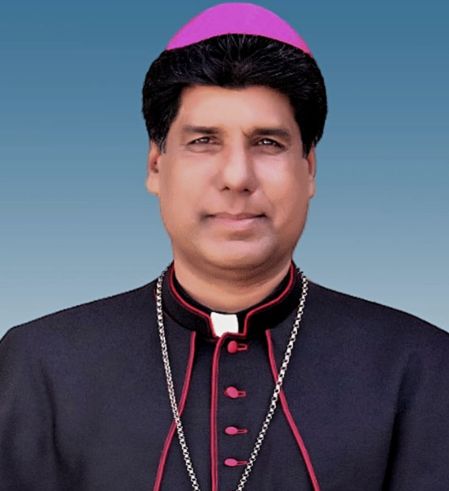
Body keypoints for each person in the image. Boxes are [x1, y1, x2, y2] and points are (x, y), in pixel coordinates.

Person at [1, 2, 448, 490]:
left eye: (268, 143)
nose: (237, 176)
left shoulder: (420, 365)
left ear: (309, 169)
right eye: (204, 141)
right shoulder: (40, 364)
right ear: (155, 166)